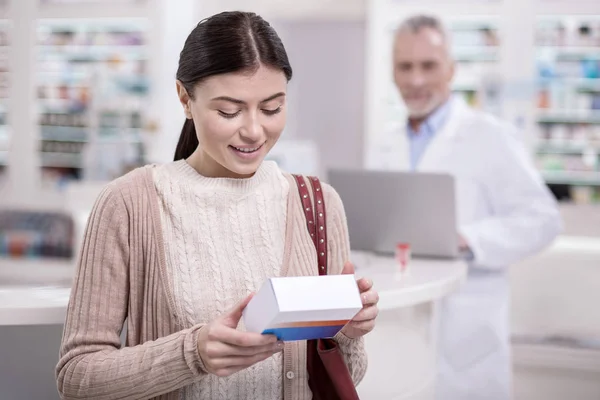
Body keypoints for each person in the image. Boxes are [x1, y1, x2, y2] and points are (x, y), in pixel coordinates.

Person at [55, 11, 378, 400]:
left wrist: (347, 331)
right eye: (229, 111)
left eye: (272, 108)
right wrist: (193, 354)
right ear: (185, 99)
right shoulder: (129, 204)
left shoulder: (318, 203)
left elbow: (347, 376)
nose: (254, 130)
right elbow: (76, 376)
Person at [382, 14, 562, 400]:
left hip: (467, 330)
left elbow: (544, 219)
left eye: (428, 66)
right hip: (401, 325)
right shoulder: (386, 144)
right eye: (405, 66)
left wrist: (469, 239)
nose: (415, 80)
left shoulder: (490, 137)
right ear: (393, 72)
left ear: (450, 69)